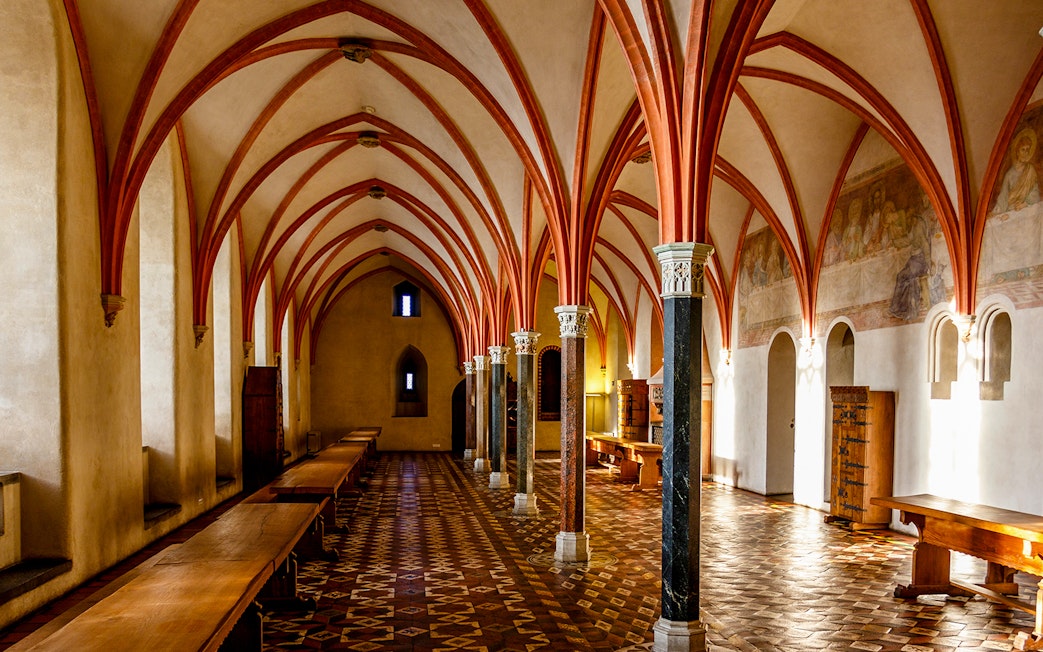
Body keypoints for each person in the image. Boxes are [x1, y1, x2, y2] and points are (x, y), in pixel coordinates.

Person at [991, 126, 1040, 214]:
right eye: (1023, 150)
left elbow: (1035, 194)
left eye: (1028, 150)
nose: (1026, 153)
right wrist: (995, 213)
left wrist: (1024, 204)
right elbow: (1003, 197)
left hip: (1027, 210)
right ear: (1017, 151)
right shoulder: (1009, 174)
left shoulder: (1031, 171)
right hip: (1012, 212)